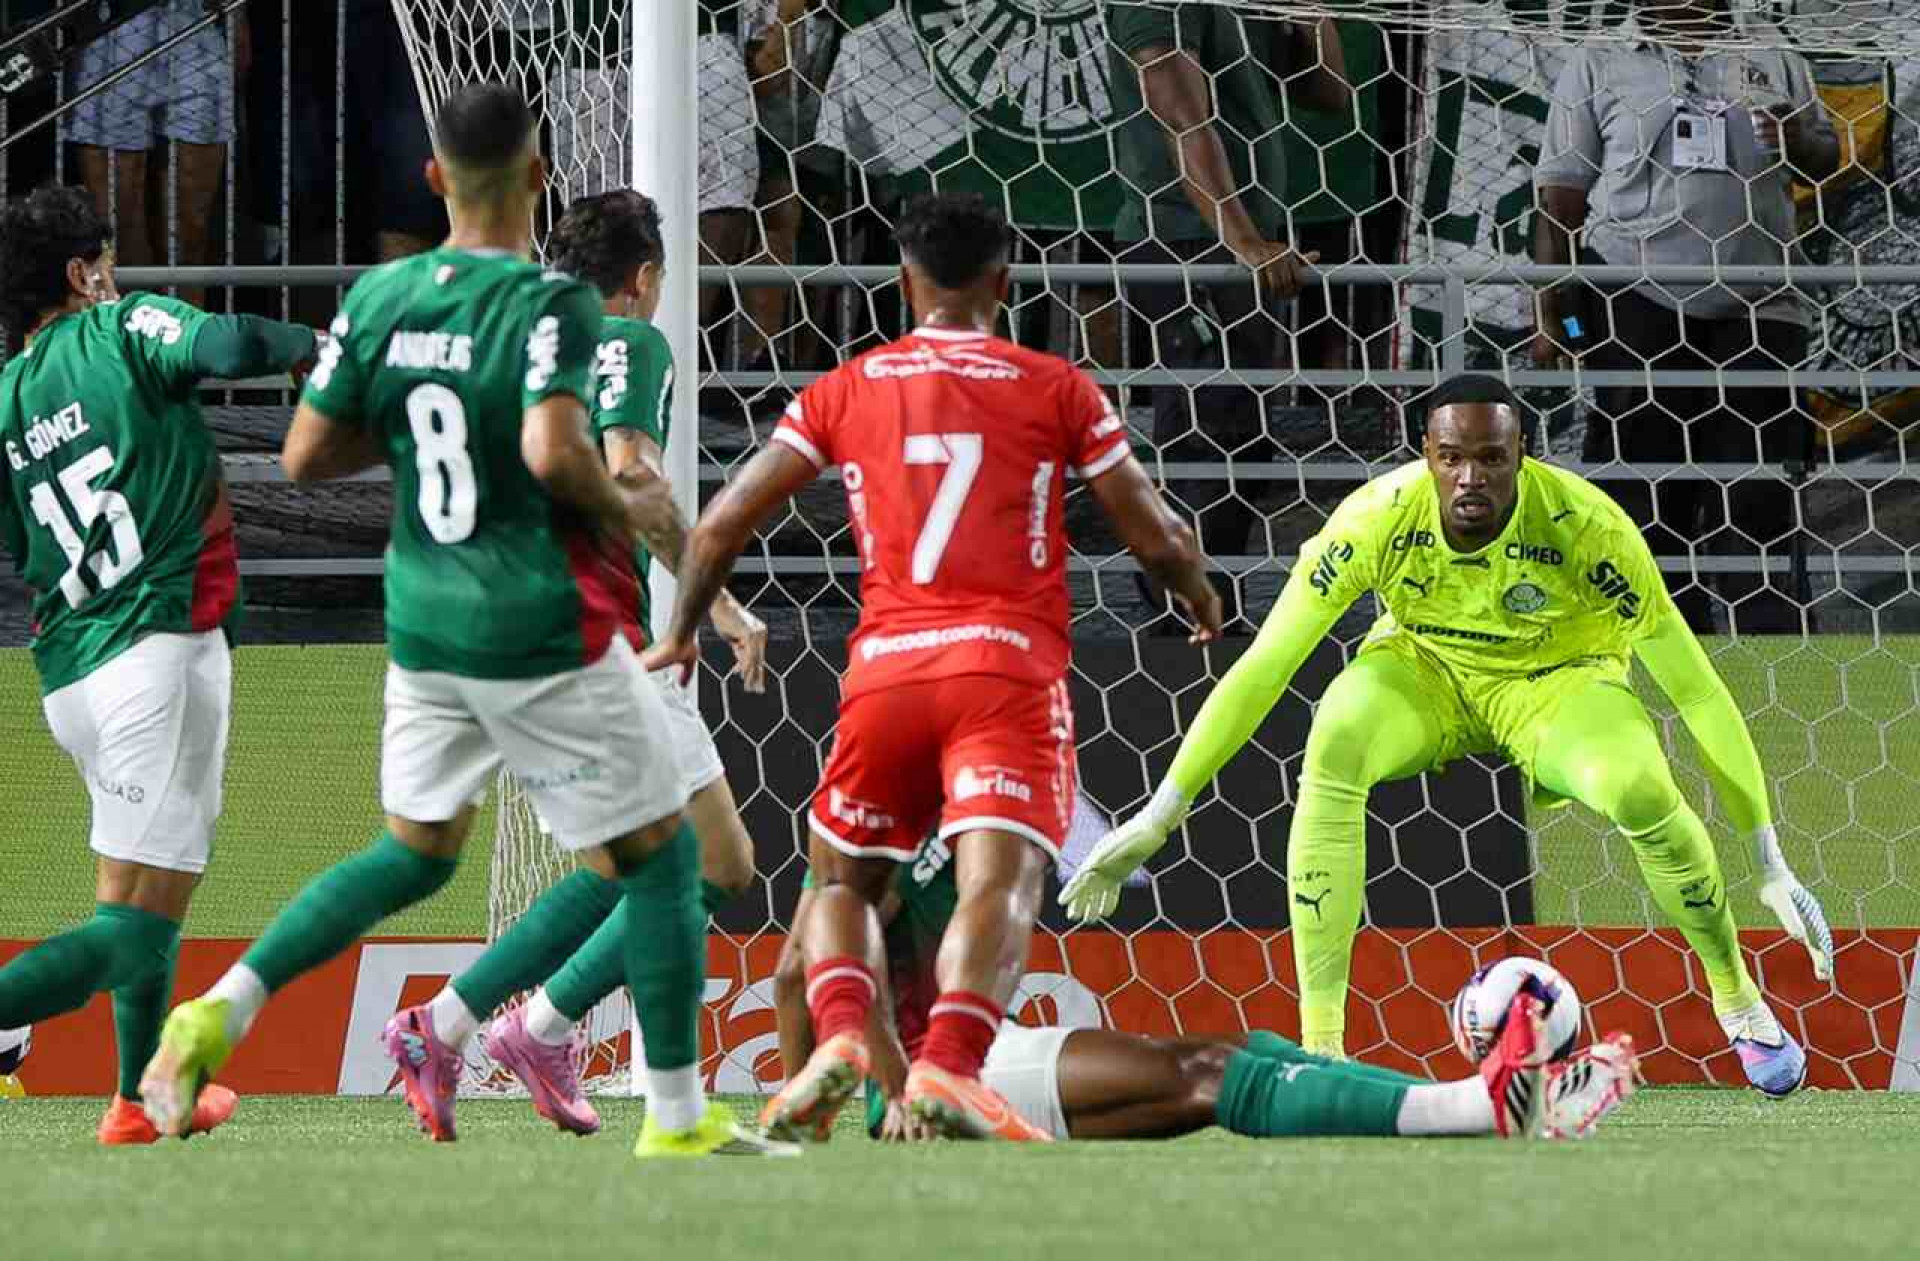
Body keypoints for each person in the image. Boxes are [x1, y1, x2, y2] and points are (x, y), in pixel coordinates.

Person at [137, 83, 794, 1160]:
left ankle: (226, 1005)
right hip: (544, 623)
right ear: (538, 177)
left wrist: (409, 431)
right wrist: (660, 550)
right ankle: (663, 1110)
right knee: (680, 864)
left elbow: (302, 458)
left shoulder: (384, 296)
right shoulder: (561, 314)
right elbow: (563, 454)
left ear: (433, 179)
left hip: (426, 630)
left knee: (412, 853)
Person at [1062, 375, 1834, 1098]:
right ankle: (1321, 1049)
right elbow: (1264, 666)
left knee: (1638, 787)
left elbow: (1694, 686)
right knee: (1334, 735)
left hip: (1559, 680)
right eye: (1451, 457)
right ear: (1425, 458)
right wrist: (1161, 812)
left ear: (1521, 457)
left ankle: (1737, 1000)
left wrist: (1768, 857)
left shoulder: (1589, 527)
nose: (1471, 477)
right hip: (1424, 669)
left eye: (1492, 458)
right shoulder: (1376, 517)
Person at [644, 191, 1220, 1139]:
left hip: (885, 674)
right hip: (1004, 671)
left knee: (841, 887)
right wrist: (1196, 595)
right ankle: (949, 1065)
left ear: (904, 281)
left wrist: (683, 629)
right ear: (1005, 281)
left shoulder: (847, 386)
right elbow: (1153, 531)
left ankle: (839, 1040)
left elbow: (716, 523)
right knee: (1004, 877)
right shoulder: (1056, 384)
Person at [406, 188, 772, 1136]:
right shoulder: (630, 340)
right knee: (701, 867)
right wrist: (715, 603)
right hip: (592, 635)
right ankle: (622, 1076)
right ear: (644, 278)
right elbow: (631, 470)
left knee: (642, 860)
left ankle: (457, 1024)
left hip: (497, 632)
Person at [0, 184, 316, 1143]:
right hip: (155, 650)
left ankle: (138, 1097)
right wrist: (324, 348)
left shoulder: (9, 395)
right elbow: (226, 348)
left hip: (71, 670)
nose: (116, 273)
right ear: (80, 272)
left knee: (140, 892)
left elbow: (23, 548)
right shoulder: (121, 325)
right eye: (106, 258)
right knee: (139, 920)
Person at [774, 836, 1639, 1143]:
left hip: (974, 1057)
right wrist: (883, 1098)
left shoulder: (968, 789)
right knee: (1210, 1075)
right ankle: (1483, 1110)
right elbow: (793, 972)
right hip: (944, 1080)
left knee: (1246, 1054)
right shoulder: (879, 810)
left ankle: (1486, 1102)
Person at [1530, 0, 1841, 634]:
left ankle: (1773, 664)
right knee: (1646, 493)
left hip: (1760, 302)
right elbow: (1559, 198)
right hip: (1632, 298)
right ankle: (1658, 651)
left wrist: (1798, 139)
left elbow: (1824, 156)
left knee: (1758, 491)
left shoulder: (1774, 52)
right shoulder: (1598, 61)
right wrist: (1551, 312)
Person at [1106, 1, 1348, 626]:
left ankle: (1211, 600)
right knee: (1204, 427)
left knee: (1241, 432)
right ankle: (1184, 610)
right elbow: (1175, 103)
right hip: (1186, 242)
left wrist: (1314, 15)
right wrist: (1241, 240)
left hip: (1244, 245)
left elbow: (1329, 94)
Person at [68, 0, 244, 310]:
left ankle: (183, 344)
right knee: (115, 226)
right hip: (112, 30)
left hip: (196, 30)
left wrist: (238, 19)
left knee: (190, 229)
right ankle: (126, 338)